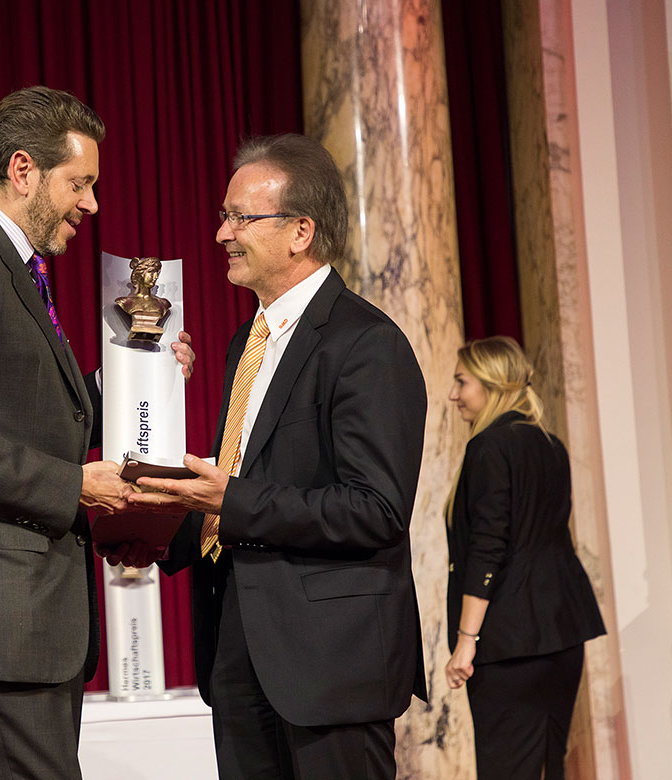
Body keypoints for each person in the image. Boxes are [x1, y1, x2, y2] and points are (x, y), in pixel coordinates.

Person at [0, 86, 193, 780]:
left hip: (20, 613)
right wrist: (71, 484)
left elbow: (28, 410)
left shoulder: (13, 265)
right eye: (79, 184)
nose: (92, 204)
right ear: (24, 170)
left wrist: (135, 382)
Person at [108, 133, 428, 779]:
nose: (222, 232)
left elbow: (376, 509)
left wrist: (230, 499)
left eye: (240, 217)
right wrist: (160, 533)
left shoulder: (366, 344)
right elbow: (249, 486)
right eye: (224, 216)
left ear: (300, 231)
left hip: (330, 666)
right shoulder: (243, 343)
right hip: (238, 648)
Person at [443, 336, 605, 780]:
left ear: (492, 384)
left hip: (509, 645)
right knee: (551, 767)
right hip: (562, 633)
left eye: (461, 382)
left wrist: (465, 639)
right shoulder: (550, 444)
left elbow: (489, 547)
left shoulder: (489, 447)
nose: (453, 394)